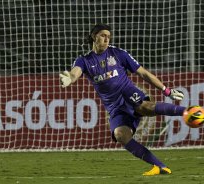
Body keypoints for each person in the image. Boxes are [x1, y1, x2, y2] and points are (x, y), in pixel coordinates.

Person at [59, 24, 185, 176]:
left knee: (143, 107)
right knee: (121, 135)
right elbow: (74, 74)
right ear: (94, 36)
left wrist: (166, 90)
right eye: (103, 35)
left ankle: (189, 112)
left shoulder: (117, 53)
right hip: (115, 107)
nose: (106, 39)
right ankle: (159, 166)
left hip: (128, 93)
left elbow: (143, 73)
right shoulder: (84, 60)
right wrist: (69, 79)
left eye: (108, 37)